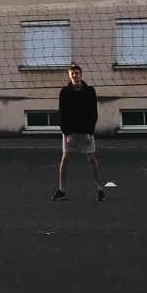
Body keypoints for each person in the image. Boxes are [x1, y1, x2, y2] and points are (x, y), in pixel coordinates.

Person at [53, 64, 104, 201]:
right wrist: (67, 133)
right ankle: (61, 190)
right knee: (65, 158)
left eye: (76, 73)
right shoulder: (64, 92)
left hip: (85, 131)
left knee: (92, 159)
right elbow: (62, 113)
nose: (74, 75)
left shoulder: (89, 91)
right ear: (70, 76)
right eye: (72, 73)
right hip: (70, 131)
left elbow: (93, 113)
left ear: (81, 74)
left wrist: (89, 132)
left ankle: (100, 189)